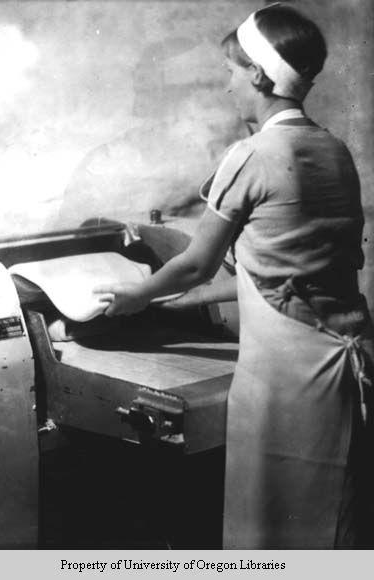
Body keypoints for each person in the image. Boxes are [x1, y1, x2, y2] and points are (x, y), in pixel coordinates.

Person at [94, 3, 374, 549]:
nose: (226, 88)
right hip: (344, 367)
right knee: (330, 525)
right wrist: (178, 302)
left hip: (285, 383)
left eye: (230, 72)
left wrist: (138, 295)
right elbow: (285, 272)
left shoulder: (251, 155)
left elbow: (196, 261)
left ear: (258, 74)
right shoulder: (334, 151)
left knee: (268, 530)